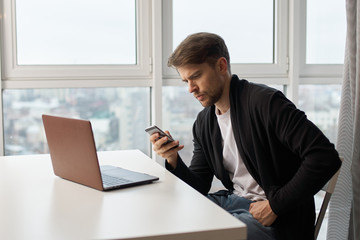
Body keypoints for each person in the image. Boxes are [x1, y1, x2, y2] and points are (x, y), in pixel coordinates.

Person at [149, 32, 341, 240]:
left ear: (221, 66)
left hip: (278, 216)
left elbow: (324, 157)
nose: (190, 89)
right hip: (233, 202)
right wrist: (173, 159)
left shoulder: (266, 103)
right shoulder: (205, 122)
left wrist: (275, 206)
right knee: (165, 220)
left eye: (195, 76)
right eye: (186, 80)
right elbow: (199, 185)